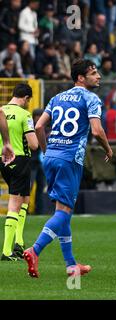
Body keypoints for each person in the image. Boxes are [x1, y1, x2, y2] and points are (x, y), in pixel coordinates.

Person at [23, 59, 113, 278]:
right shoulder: (91, 98)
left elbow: (38, 126)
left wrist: (46, 152)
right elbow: (97, 131)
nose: (98, 76)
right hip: (70, 159)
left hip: (51, 157)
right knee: (64, 213)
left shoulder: (56, 97)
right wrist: (109, 150)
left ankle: (71, 265)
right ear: (81, 78)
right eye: (93, 73)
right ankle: (35, 250)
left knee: (62, 212)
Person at [1, 84, 38, 261]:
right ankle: (7, 251)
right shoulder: (25, 115)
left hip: (2, 158)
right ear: (26, 98)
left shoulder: (1, 110)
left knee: (24, 198)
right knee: (15, 202)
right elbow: (33, 144)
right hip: (20, 159)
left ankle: (19, 242)